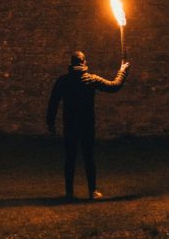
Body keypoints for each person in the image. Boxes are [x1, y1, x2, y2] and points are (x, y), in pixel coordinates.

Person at [46, 50, 130, 201]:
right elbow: (114, 86)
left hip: (70, 124)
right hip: (86, 124)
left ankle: (69, 193)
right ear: (84, 62)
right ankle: (92, 191)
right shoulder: (91, 79)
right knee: (89, 157)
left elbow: (53, 103)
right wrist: (123, 71)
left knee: (70, 158)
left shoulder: (63, 81)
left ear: (71, 64)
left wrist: (50, 123)